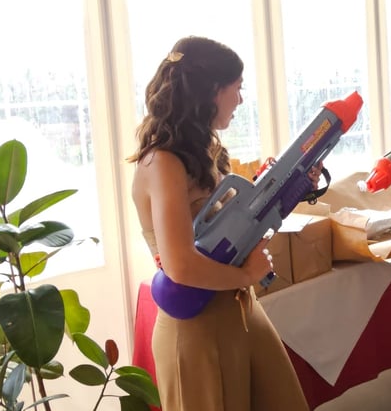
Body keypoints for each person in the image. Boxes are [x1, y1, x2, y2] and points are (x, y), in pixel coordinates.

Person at [128, 36, 313, 411]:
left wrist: (293, 185)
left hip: (236, 308)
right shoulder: (162, 162)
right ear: (212, 91)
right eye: (238, 89)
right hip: (195, 325)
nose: (241, 100)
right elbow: (180, 265)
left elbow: (232, 226)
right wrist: (247, 276)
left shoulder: (202, 152)